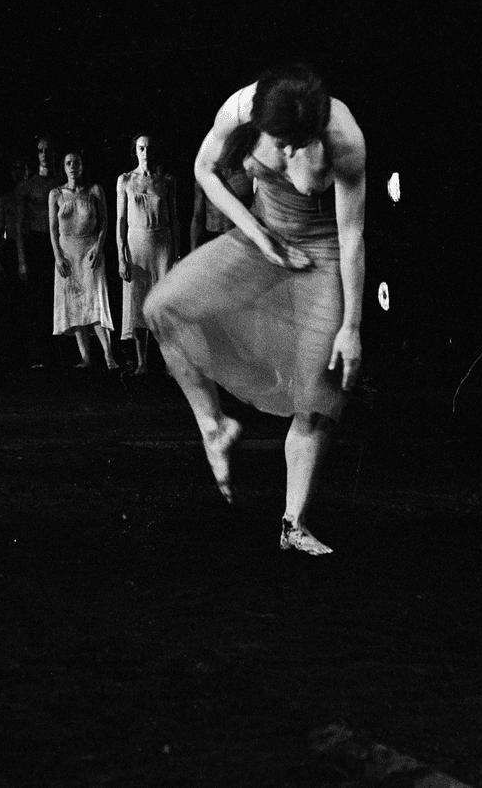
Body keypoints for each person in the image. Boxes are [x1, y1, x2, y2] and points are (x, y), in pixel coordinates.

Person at [144, 64, 366, 556]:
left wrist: (351, 325)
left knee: (318, 388)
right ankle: (214, 426)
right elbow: (204, 170)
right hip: (259, 234)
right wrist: (258, 235)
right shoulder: (242, 107)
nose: (287, 153)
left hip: (320, 254)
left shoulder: (343, 137)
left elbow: (351, 236)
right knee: (163, 306)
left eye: (297, 143)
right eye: (278, 142)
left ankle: (293, 524)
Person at [116, 134, 180, 375]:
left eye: (149, 148)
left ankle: (168, 361)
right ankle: (142, 362)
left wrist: (176, 253)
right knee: (138, 302)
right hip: (136, 244)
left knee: (163, 304)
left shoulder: (166, 180)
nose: (146, 153)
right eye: (141, 148)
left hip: (161, 243)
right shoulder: (125, 180)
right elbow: (121, 220)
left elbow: (174, 219)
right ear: (135, 151)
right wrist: (121, 256)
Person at [50, 151, 120, 370]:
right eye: (68, 163)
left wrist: (98, 248)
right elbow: (52, 228)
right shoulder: (56, 194)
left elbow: (105, 223)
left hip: (90, 250)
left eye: (76, 163)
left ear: (82, 166)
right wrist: (58, 256)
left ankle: (109, 356)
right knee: (75, 303)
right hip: (67, 252)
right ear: (64, 167)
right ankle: (86, 357)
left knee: (95, 301)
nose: (72, 166)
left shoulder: (95, 191)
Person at [18, 137, 65, 368]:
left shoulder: (61, 181)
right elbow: (18, 224)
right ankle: (37, 354)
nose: (44, 154)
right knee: (37, 299)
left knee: (59, 296)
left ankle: (59, 352)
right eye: (40, 151)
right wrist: (21, 259)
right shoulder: (28, 186)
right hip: (37, 242)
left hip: (61, 243)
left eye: (48, 150)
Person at [0, 158, 30, 366]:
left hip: (27, 246)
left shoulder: (29, 196)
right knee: (9, 302)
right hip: (9, 249)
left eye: (21, 167)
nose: (17, 172)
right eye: (14, 168)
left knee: (27, 301)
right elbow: (0, 229)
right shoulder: (5, 199)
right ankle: (9, 351)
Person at [190, 160, 254, 250]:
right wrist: (193, 251)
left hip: (237, 236)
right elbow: (197, 217)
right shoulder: (205, 177)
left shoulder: (247, 176)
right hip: (211, 236)